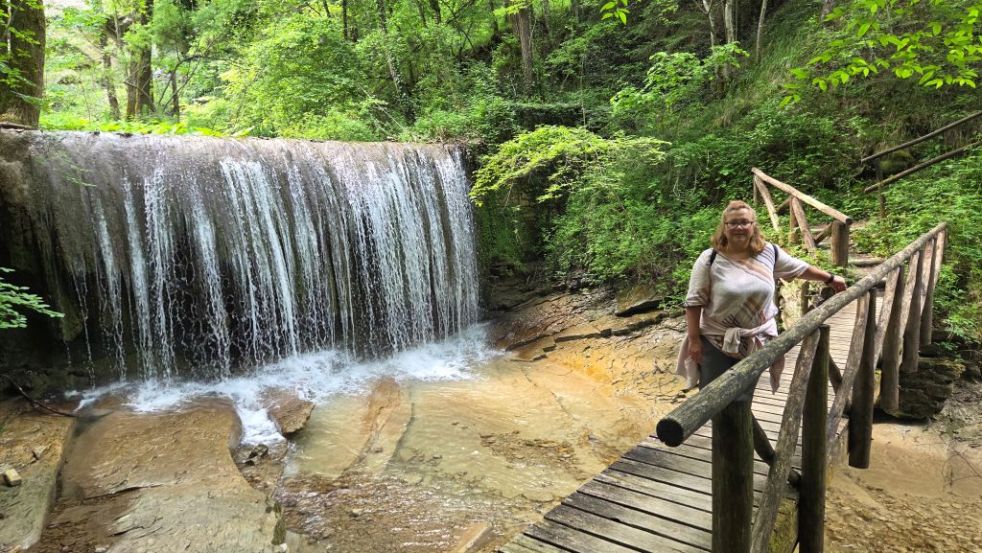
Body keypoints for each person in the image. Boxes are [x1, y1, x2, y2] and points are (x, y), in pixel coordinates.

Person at [677, 200, 847, 395]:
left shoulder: (769, 253)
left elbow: (799, 268)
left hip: (757, 341)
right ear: (724, 227)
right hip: (716, 341)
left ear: (753, 225)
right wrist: (694, 341)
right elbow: (693, 303)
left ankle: (742, 425)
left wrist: (830, 278)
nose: (739, 227)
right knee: (714, 399)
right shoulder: (709, 259)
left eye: (744, 222)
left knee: (744, 399)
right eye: (732, 223)